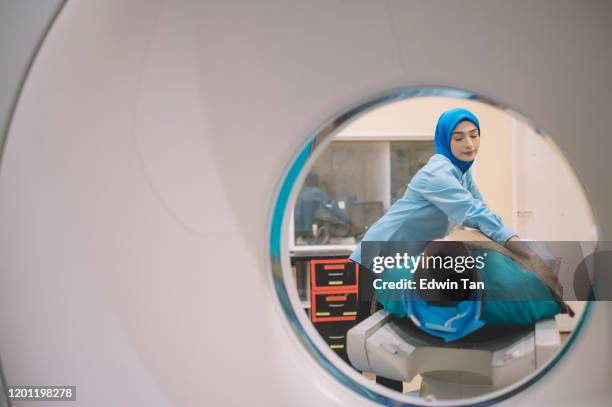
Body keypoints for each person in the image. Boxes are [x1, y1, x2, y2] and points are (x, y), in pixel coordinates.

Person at [349, 108, 562, 314]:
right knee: (368, 324)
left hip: (406, 254)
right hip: (380, 252)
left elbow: (483, 210)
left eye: (474, 135)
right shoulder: (437, 173)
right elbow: (475, 214)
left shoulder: (462, 172)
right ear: (445, 140)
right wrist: (529, 255)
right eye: (458, 138)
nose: (469, 144)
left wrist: (514, 243)